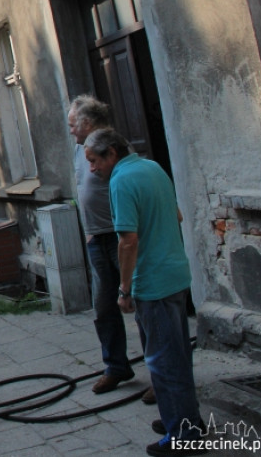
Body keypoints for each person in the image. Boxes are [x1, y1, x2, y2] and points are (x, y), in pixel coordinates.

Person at [84, 128, 206, 456]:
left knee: (163, 361)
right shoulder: (152, 168)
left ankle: (185, 435)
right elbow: (177, 215)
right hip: (176, 275)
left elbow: (127, 240)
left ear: (111, 153)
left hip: (153, 284)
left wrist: (124, 289)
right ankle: (181, 419)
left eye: (94, 161)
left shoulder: (121, 181)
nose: (92, 169)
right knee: (176, 354)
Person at [67, 96, 148, 399]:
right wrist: (88, 233)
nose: (70, 130)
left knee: (140, 304)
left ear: (87, 123)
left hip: (121, 237)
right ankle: (116, 366)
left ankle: (159, 374)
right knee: (104, 308)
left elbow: (132, 186)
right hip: (96, 240)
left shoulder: (115, 147)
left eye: (73, 124)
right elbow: (81, 187)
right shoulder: (80, 150)